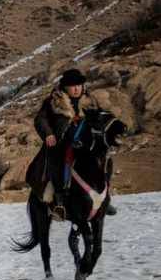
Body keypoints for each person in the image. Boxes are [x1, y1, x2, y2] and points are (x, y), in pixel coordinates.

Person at [28, 68, 114, 219]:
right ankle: (60, 203)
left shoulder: (89, 101)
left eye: (79, 85)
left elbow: (99, 118)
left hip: (85, 146)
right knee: (57, 166)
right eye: (73, 86)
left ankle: (104, 199)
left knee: (103, 163)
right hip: (62, 144)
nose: (77, 89)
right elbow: (40, 119)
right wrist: (48, 134)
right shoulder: (53, 102)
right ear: (65, 87)